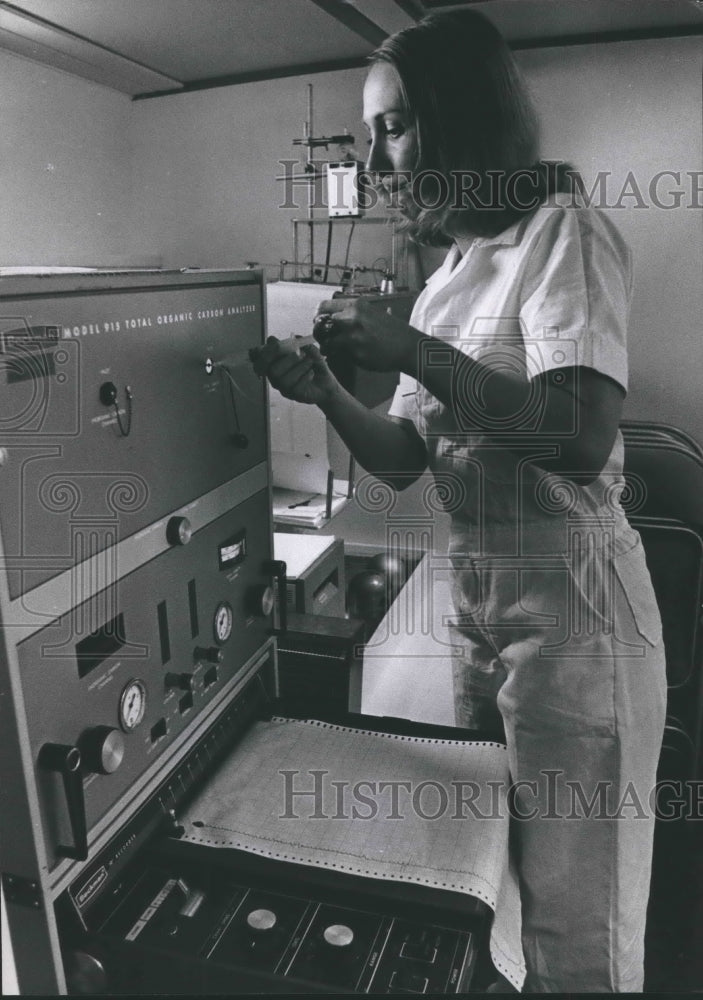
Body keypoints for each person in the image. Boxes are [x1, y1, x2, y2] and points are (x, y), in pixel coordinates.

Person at [252, 10, 666, 993]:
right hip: (482, 607)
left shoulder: (562, 234)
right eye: (369, 134)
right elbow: (403, 458)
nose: (374, 161)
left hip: (575, 617)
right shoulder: (447, 278)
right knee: (496, 880)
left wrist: (413, 349)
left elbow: (579, 439)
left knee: (580, 917)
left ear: (461, 118)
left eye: (393, 128)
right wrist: (329, 393)